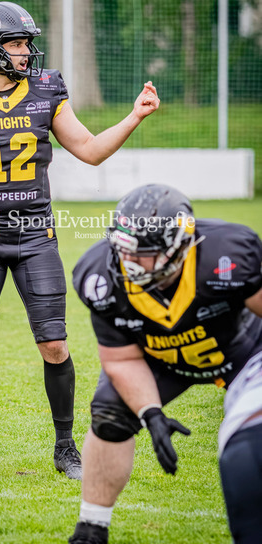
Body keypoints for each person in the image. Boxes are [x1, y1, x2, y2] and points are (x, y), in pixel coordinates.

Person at [0, 1, 160, 480]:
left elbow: (89, 151)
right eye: (15, 43)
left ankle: (66, 449)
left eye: (26, 43)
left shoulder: (45, 90)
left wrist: (133, 117)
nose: (25, 52)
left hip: (36, 233)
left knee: (54, 343)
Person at [69, 183, 262, 544]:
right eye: (124, 249)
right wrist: (150, 412)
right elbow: (121, 358)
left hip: (242, 351)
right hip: (161, 357)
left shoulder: (228, 253)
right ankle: (91, 529)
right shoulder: (99, 275)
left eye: (142, 253)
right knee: (110, 413)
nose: (128, 261)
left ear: (179, 246)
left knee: (249, 443)